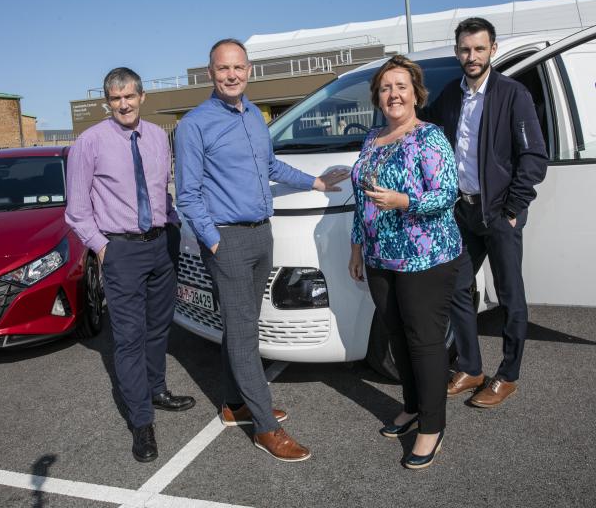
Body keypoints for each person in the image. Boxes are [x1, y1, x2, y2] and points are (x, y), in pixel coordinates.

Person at [174, 39, 349, 463]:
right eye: (222, 69)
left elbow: (271, 167)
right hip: (227, 239)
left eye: (237, 67)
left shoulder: (255, 115)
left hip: (260, 234)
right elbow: (188, 193)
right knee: (245, 331)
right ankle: (266, 429)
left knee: (242, 325)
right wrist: (211, 239)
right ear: (210, 73)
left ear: (249, 70)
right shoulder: (194, 125)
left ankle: (236, 405)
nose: (231, 75)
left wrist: (317, 183)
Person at [65, 67, 195, 463]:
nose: (123, 104)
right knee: (128, 338)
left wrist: (172, 229)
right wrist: (102, 248)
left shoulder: (158, 137)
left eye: (129, 96)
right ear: (108, 101)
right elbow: (77, 210)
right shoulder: (89, 143)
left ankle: (157, 389)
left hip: (160, 245)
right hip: (120, 250)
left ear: (142, 97)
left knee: (158, 328)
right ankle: (141, 421)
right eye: (115, 98)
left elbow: (161, 191)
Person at [422, 17, 548, 407]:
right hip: (463, 212)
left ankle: (507, 374)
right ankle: (472, 367)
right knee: (458, 288)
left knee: (510, 295)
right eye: (464, 49)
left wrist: (513, 208)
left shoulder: (512, 95)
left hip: (499, 213)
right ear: (457, 50)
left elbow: (533, 156)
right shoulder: (449, 97)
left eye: (479, 48)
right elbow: (427, 141)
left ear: (492, 49)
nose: (471, 56)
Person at [348, 55, 462, 470]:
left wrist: (404, 201)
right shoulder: (373, 138)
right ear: (377, 98)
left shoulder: (430, 137)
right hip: (381, 256)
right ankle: (413, 407)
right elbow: (361, 201)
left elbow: (447, 194)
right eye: (385, 88)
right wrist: (357, 246)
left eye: (400, 86)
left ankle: (432, 426)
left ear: (416, 93)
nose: (393, 94)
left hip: (426, 257)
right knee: (397, 337)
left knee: (425, 342)